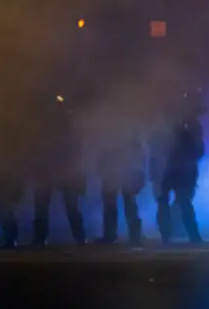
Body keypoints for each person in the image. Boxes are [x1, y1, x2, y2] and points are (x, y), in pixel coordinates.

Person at [31, 95, 86, 246]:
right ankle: (79, 237)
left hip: (57, 168)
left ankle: (41, 238)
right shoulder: (66, 123)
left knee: (46, 204)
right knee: (65, 205)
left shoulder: (47, 124)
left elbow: (75, 149)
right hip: (56, 168)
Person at [151, 91, 205, 244]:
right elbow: (158, 147)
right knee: (172, 201)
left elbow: (199, 149)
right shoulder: (175, 126)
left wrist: (187, 161)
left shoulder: (190, 126)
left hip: (180, 169)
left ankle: (184, 234)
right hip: (173, 168)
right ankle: (172, 233)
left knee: (181, 202)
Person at [95, 128, 146, 244]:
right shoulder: (126, 132)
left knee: (121, 205)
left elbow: (139, 154)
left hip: (119, 171)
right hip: (118, 172)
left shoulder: (112, 133)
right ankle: (133, 235)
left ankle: (116, 235)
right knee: (126, 204)